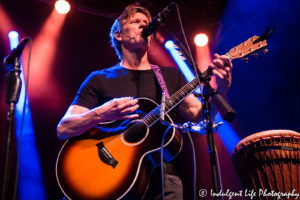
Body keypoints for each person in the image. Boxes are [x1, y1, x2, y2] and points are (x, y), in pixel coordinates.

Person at [57, 2, 232, 200]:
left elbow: (197, 113)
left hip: (163, 177)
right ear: (118, 35)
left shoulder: (170, 77)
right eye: (135, 21)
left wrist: (223, 89)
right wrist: (102, 113)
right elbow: (64, 129)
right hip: (111, 177)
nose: (143, 25)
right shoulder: (99, 79)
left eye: (146, 22)